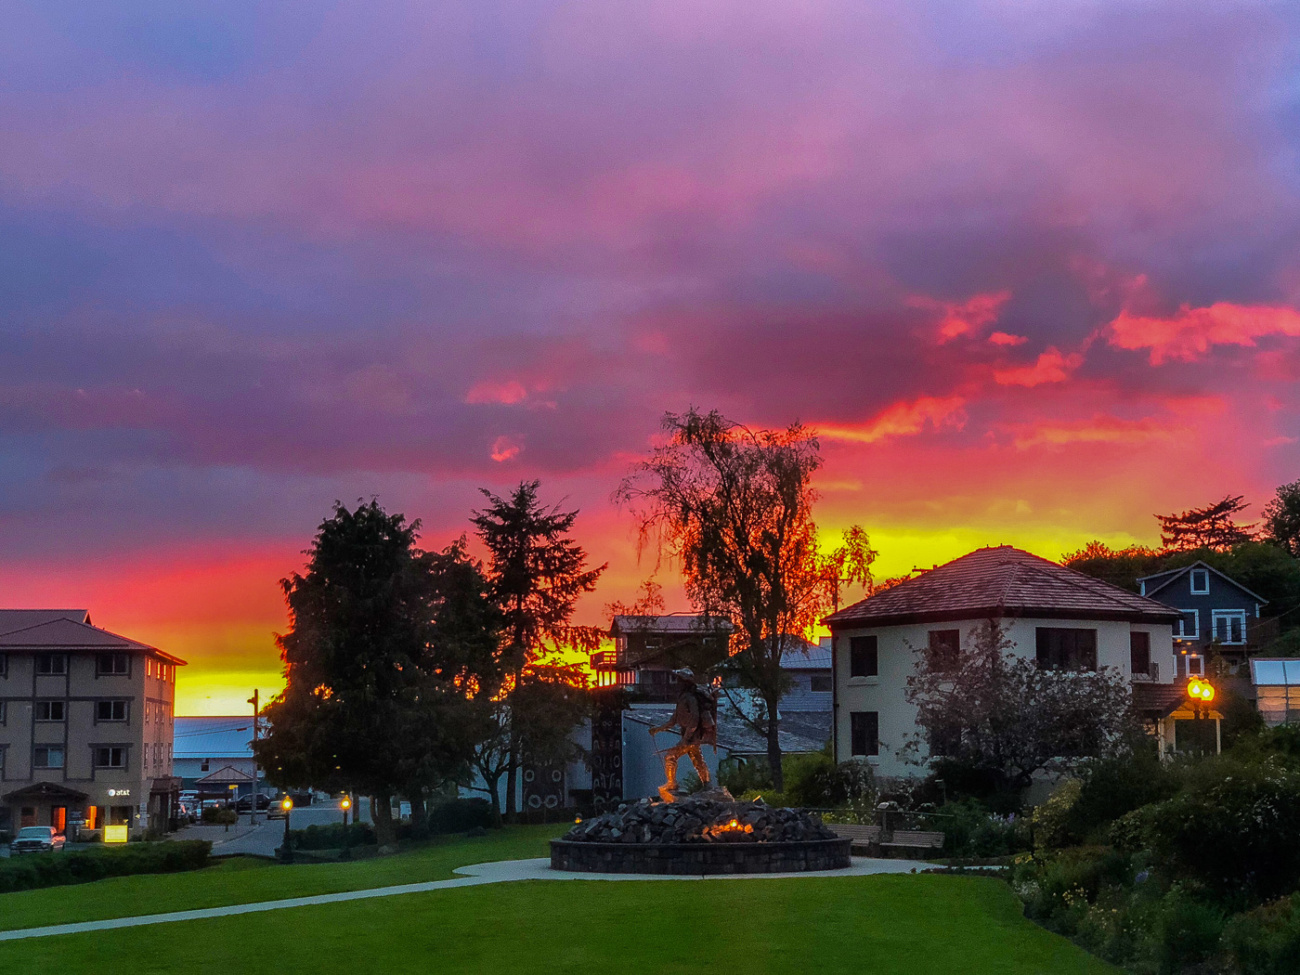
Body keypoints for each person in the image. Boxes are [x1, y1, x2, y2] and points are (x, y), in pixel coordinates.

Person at [650, 668, 720, 802]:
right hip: (689, 736)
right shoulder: (682, 699)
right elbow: (673, 720)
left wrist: (685, 739)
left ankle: (672, 783)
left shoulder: (690, 699)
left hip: (691, 736)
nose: (677, 683)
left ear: (685, 683)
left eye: (680, 681)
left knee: (671, 756)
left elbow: (694, 720)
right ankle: (707, 784)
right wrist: (658, 729)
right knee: (697, 759)